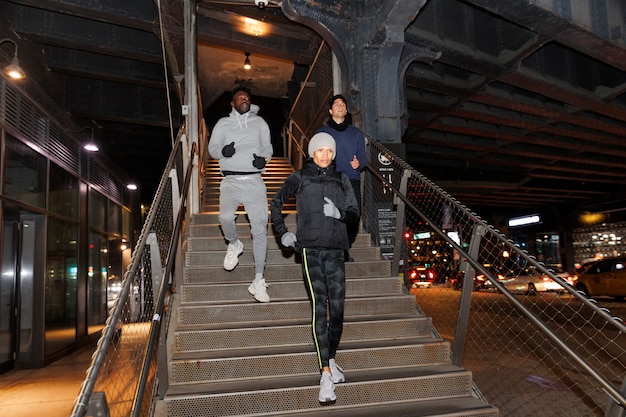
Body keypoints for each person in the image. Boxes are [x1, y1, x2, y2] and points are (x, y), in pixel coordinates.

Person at [270, 132, 360, 404]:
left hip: (335, 249)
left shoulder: (342, 179)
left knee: (339, 309)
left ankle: (330, 358)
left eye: (329, 151)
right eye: (319, 150)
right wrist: (283, 232)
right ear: (312, 152)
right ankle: (324, 375)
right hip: (310, 250)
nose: (324, 155)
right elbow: (276, 203)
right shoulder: (300, 177)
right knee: (320, 307)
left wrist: (340, 214)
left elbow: (355, 213)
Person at [208, 85, 273, 303]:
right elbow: (212, 148)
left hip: (254, 181)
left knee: (260, 229)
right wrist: (222, 152)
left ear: (249, 102)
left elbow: (268, 149)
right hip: (231, 181)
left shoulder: (260, 123)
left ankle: (258, 280)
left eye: (246, 97)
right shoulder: (223, 124)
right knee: (225, 218)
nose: (243, 99)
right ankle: (234, 243)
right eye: (239, 97)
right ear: (233, 103)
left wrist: (262, 161)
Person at [316, 94, 366, 262]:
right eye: (337, 104)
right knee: (331, 216)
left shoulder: (356, 133)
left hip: (352, 179)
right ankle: (338, 250)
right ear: (331, 111)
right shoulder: (322, 132)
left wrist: (359, 163)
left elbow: (363, 157)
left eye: (343, 104)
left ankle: (345, 245)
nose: (340, 106)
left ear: (345, 110)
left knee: (353, 216)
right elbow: (313, 156)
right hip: (330, 178)